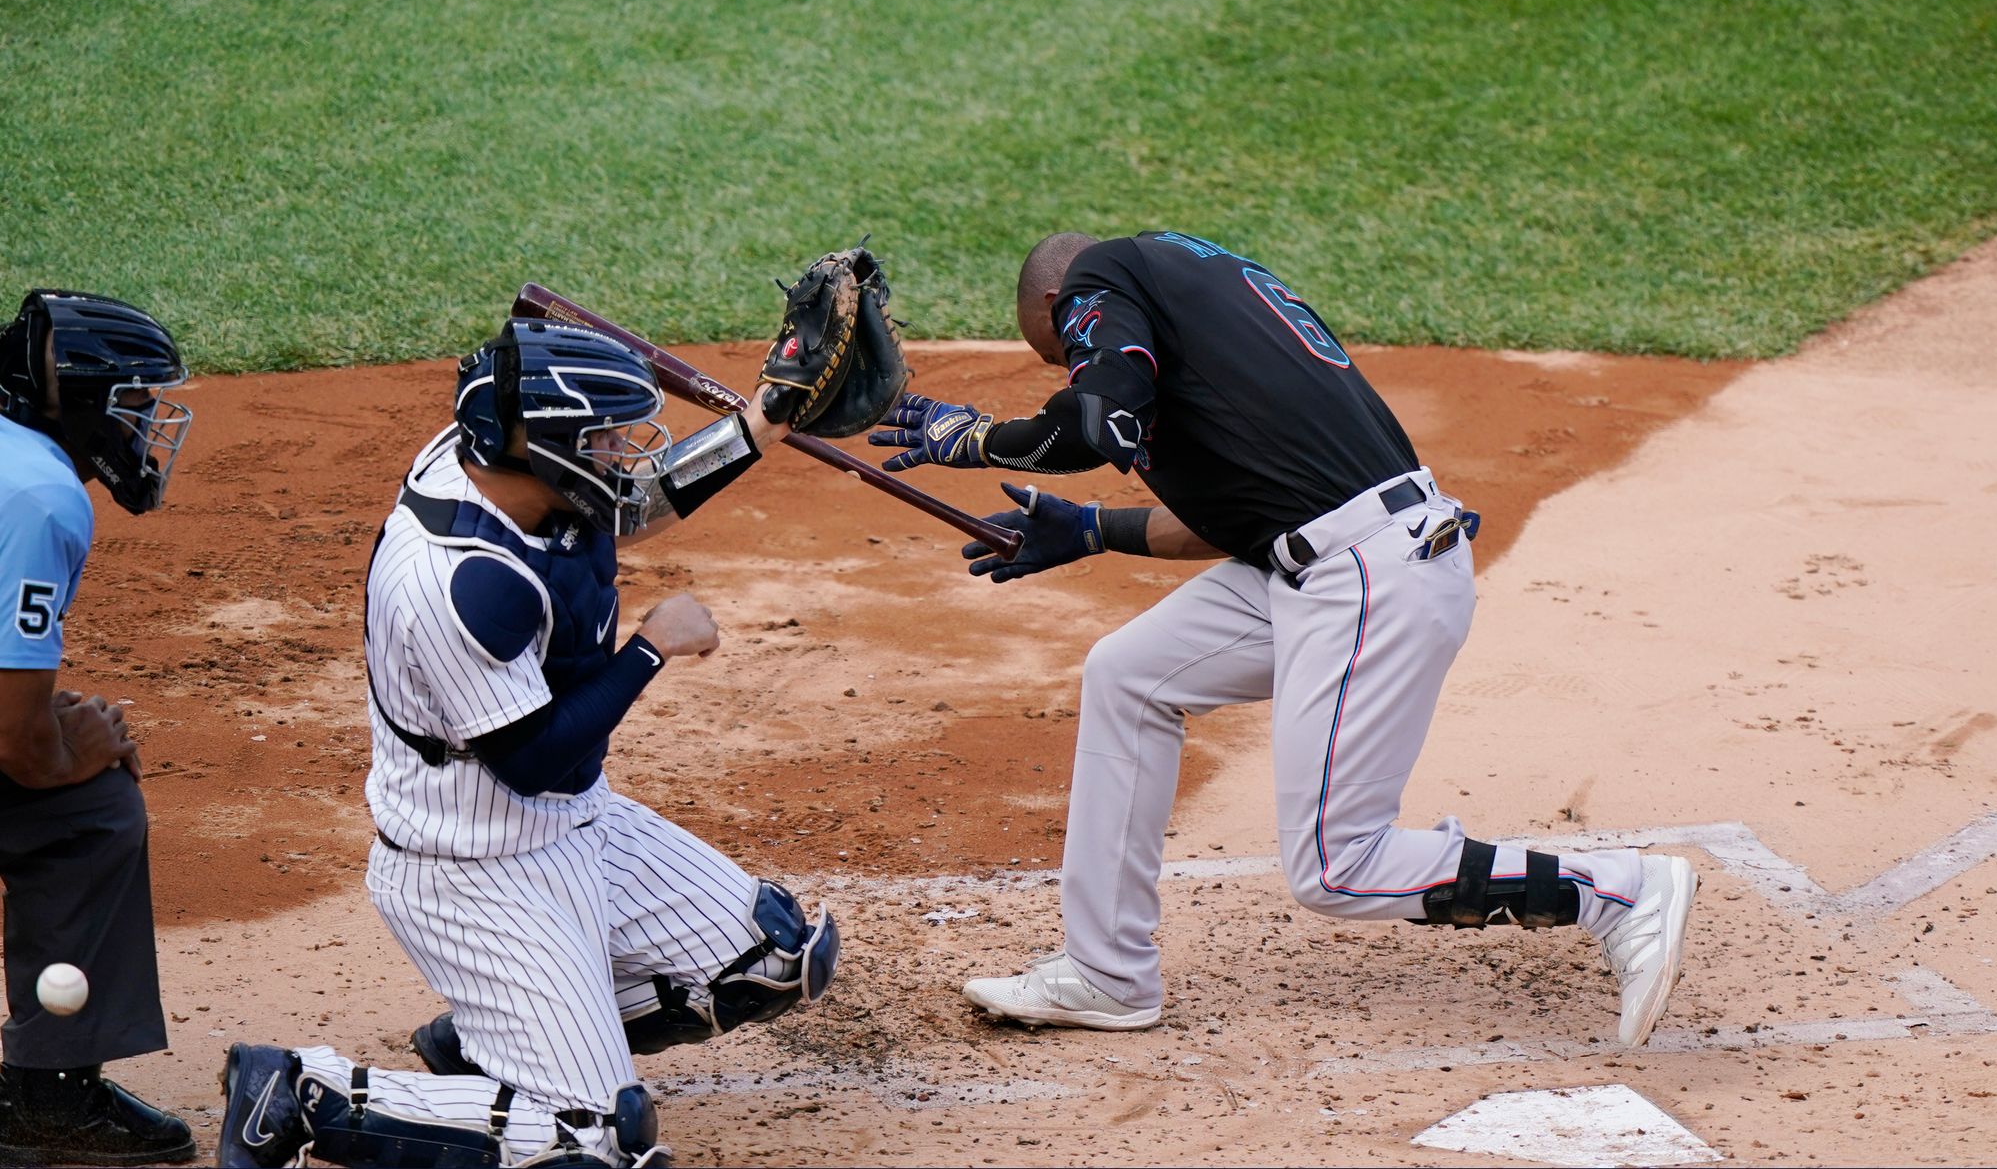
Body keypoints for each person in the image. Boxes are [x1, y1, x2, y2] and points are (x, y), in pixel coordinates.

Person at [868, 231, 1698, 1045]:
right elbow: (1251, 510)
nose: (1075, 360)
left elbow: (1093, 426)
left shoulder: (1097, 276)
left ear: (1060, 306)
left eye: (1062, 350)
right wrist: (1094, 531)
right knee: (1128, 675)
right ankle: (1107, 973)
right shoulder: (1199, 294)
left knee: (1340, 867)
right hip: (1326, 561)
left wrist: (972, 437)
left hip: (1368, 578)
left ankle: (1619, 893)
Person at [217, 319, 837, 1168]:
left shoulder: (512, 465)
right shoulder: (454, 581)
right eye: (605, 438)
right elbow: (531, 760)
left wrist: (769, 417)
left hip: (580, 824)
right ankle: (299, 1094)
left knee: (773, 954)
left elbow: (635, 498)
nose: (624, 450)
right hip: (474, 869)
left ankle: (493, 1049)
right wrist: (651, 649)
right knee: (597, 1144)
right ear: (543, 450)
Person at [0, 290, 198, 1165]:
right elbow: (19, 749)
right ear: (79, 402)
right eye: (134, 402)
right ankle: (50, 1100)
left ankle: (49, 1091)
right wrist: (61, 751)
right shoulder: (42, 494)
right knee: (90, 813)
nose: (147, 423)